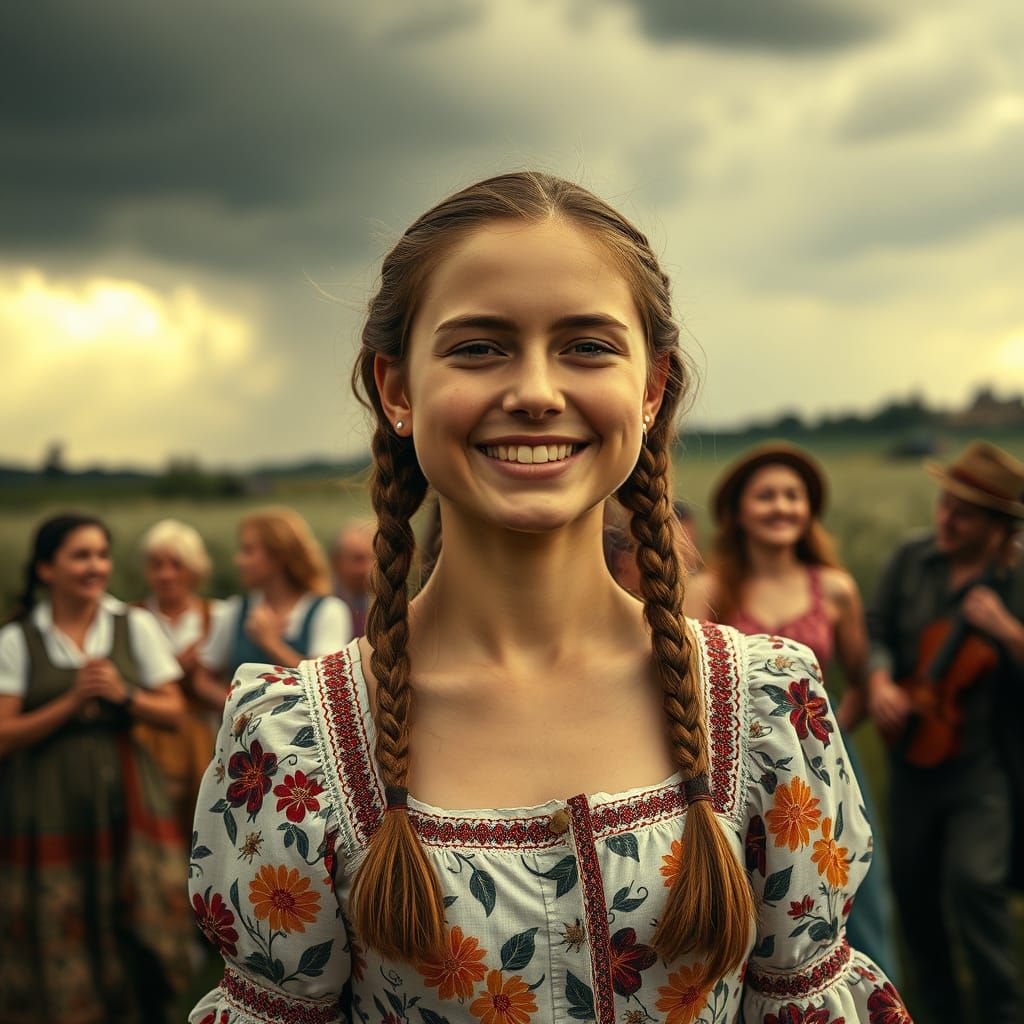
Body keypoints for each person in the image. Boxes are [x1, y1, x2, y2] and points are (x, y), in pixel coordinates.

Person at [188, 172, 907, 1024]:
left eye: (587, 346)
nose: (534, 391)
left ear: (651, 389)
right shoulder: (297, 744)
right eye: (478, 348)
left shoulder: (765, 709)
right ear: (397, 389)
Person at [684, 442, 899, 981]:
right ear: (736, 510)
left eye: (793, 496)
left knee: (851, 892)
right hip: (738, 771)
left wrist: (826, 735)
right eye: (766, 496)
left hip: (826, 766)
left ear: (809, 509)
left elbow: (859, 675)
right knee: (753, 905)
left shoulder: (835, 589)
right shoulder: (707, 590)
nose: (781, 506)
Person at [0, 513, 193, 1023]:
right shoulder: (20, 639)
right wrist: (70, 703)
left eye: (102, 555)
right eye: (80, 555)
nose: (95, 567)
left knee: (138, 907)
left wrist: (123, 694)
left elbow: (173, 711)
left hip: (128, 793)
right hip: (47, 801)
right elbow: (3, 734)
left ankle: (142, 1007)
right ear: (46, 568)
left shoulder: (133, 625)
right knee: (61, 913)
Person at [866, 441, 1024, 1024]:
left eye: (965, 513)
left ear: (999, 527)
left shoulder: (1018, 579)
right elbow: (876, 627)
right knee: (914, 893)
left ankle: (1002, 1010)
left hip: (982, 765)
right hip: (911, 757)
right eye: (945, 504)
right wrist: (880, 679)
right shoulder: (913, 557)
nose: (947, 519)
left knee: (976, 883)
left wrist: (1007, 630)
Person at [194, 507, 353, 704]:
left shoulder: (328, 610)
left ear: (278, 557)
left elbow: (326, 685)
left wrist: (271, 643)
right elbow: (203, 679)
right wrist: (239, 708)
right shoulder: (235, 610)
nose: (239, 560)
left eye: (248, 551)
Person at [137, 518, 230, 844]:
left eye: (176, 564)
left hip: (205, 733)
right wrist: (176, 669)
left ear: (194, 569)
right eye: (157, 565)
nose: (166, 574)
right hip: (149, 735)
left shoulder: (219, 615)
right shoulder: (133, 617)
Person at [330, 521, 375, 637]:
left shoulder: (385, 606)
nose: (368, 568)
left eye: (373, 558)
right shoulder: (322, 606)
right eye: (358, 559)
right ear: (336, 562)